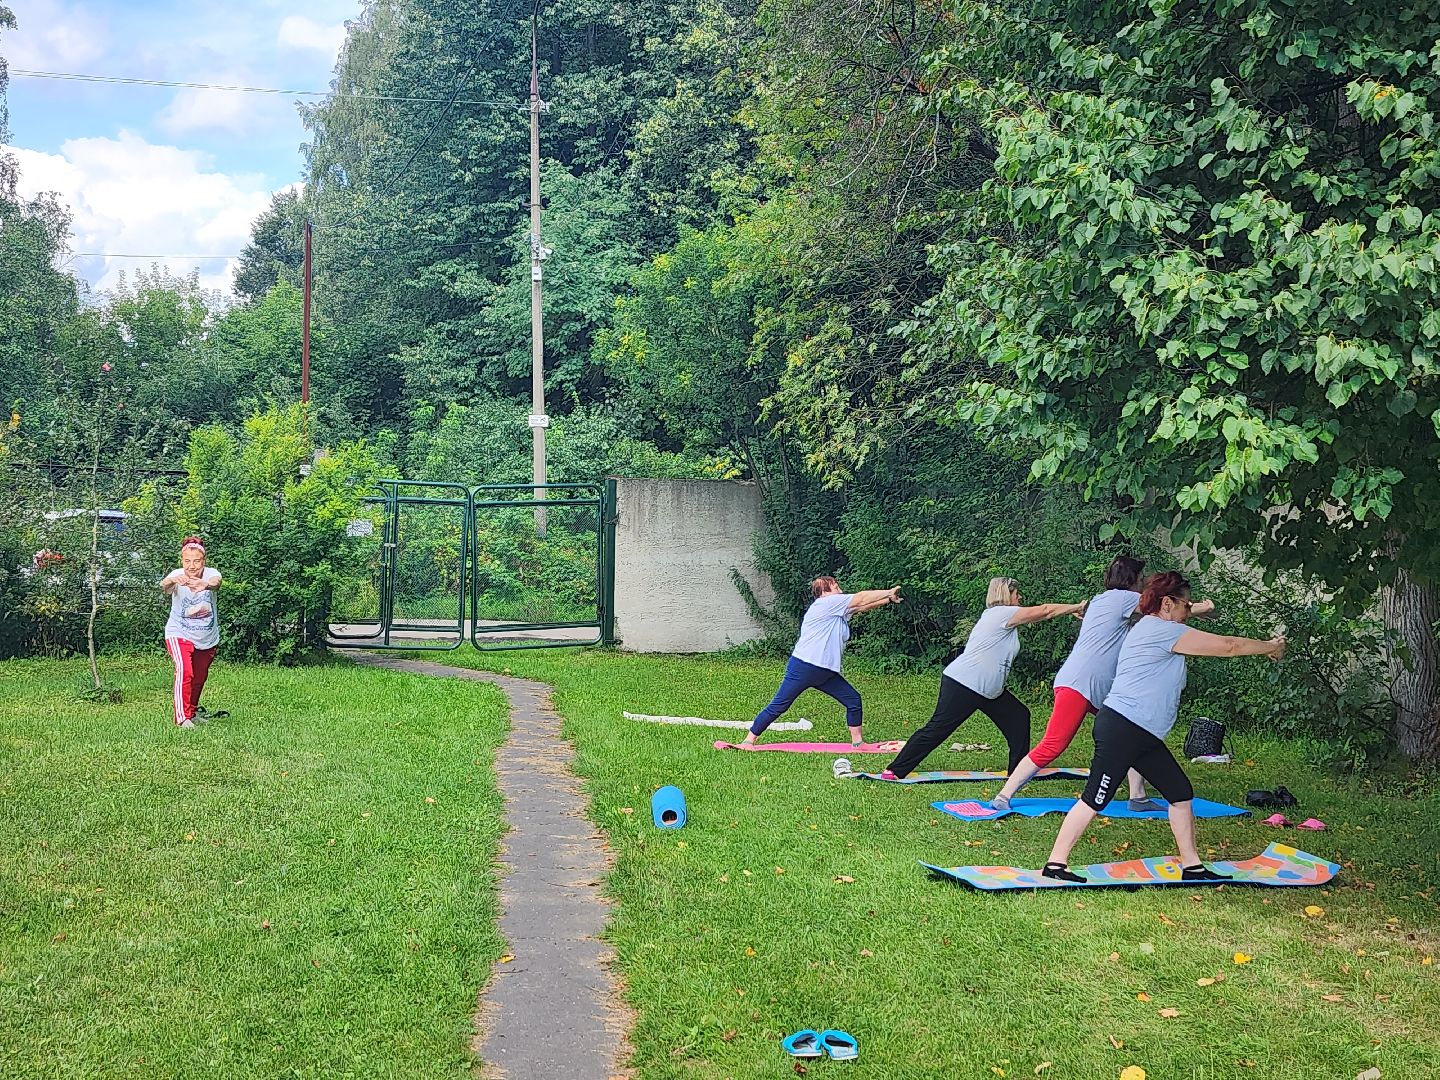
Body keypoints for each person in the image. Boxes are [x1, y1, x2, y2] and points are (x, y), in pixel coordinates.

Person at [1040, 571, 1285, 883]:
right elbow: (1229, 646)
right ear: (1168, 603)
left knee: (1180, 793)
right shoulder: (1160, 630)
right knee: (1096, 797)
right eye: (1186, 604)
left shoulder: (1156, 628)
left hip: (1141, 733)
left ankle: (1192, 866)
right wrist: (1270, 647)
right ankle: (1056, 864)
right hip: (1124, 729)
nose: (1188, 610)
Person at [989, 555, 1214, 812]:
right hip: (1081, 683)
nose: (1143, 585)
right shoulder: (1125, 599)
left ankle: (1138, 796)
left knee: (1132, 731)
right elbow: (1164, 609)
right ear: (1131, 580)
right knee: (1055, 743)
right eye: (1141, 579)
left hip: (1094, 685)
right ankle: (1005, 794)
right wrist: (1200, 609)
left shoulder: (1102, 599)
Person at [881, 577, 1086, 779]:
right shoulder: (1000, 614)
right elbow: (1045, 611)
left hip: (989, 690)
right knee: (938, 729)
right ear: (1007, 595)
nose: (1020, 597)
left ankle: (1018, 772)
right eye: (1016, 594)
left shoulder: (1002, 618)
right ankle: (895, 769)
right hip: (964, 684)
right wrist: (1076, 606)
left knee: (1019, 718)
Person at [740, 576, 902, 748]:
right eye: (835, 586)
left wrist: (888, 600)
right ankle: (748, 740)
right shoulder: (826, 604)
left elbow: (862, 606)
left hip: (825, 672)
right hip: (804, 667)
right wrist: (888, 591)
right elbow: (861, 598)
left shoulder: (837, 609)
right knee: (780, 705)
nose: (839, 588)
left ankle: (858, 742)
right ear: (825, 592)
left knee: (853, 700)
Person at [160, 536, 223, 729]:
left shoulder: (211, 574)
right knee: (185, 671)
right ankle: (182, 718)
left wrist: (205, 584)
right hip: (178, 633)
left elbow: (217, 582)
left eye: (196, 561)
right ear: (182, 561)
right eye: (187, 561)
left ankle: (192, 712)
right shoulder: (177, 574)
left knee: (199, 676)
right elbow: (164, 586)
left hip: (207, 637)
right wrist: (171, 581)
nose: (192, 566)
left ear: (203, 561)